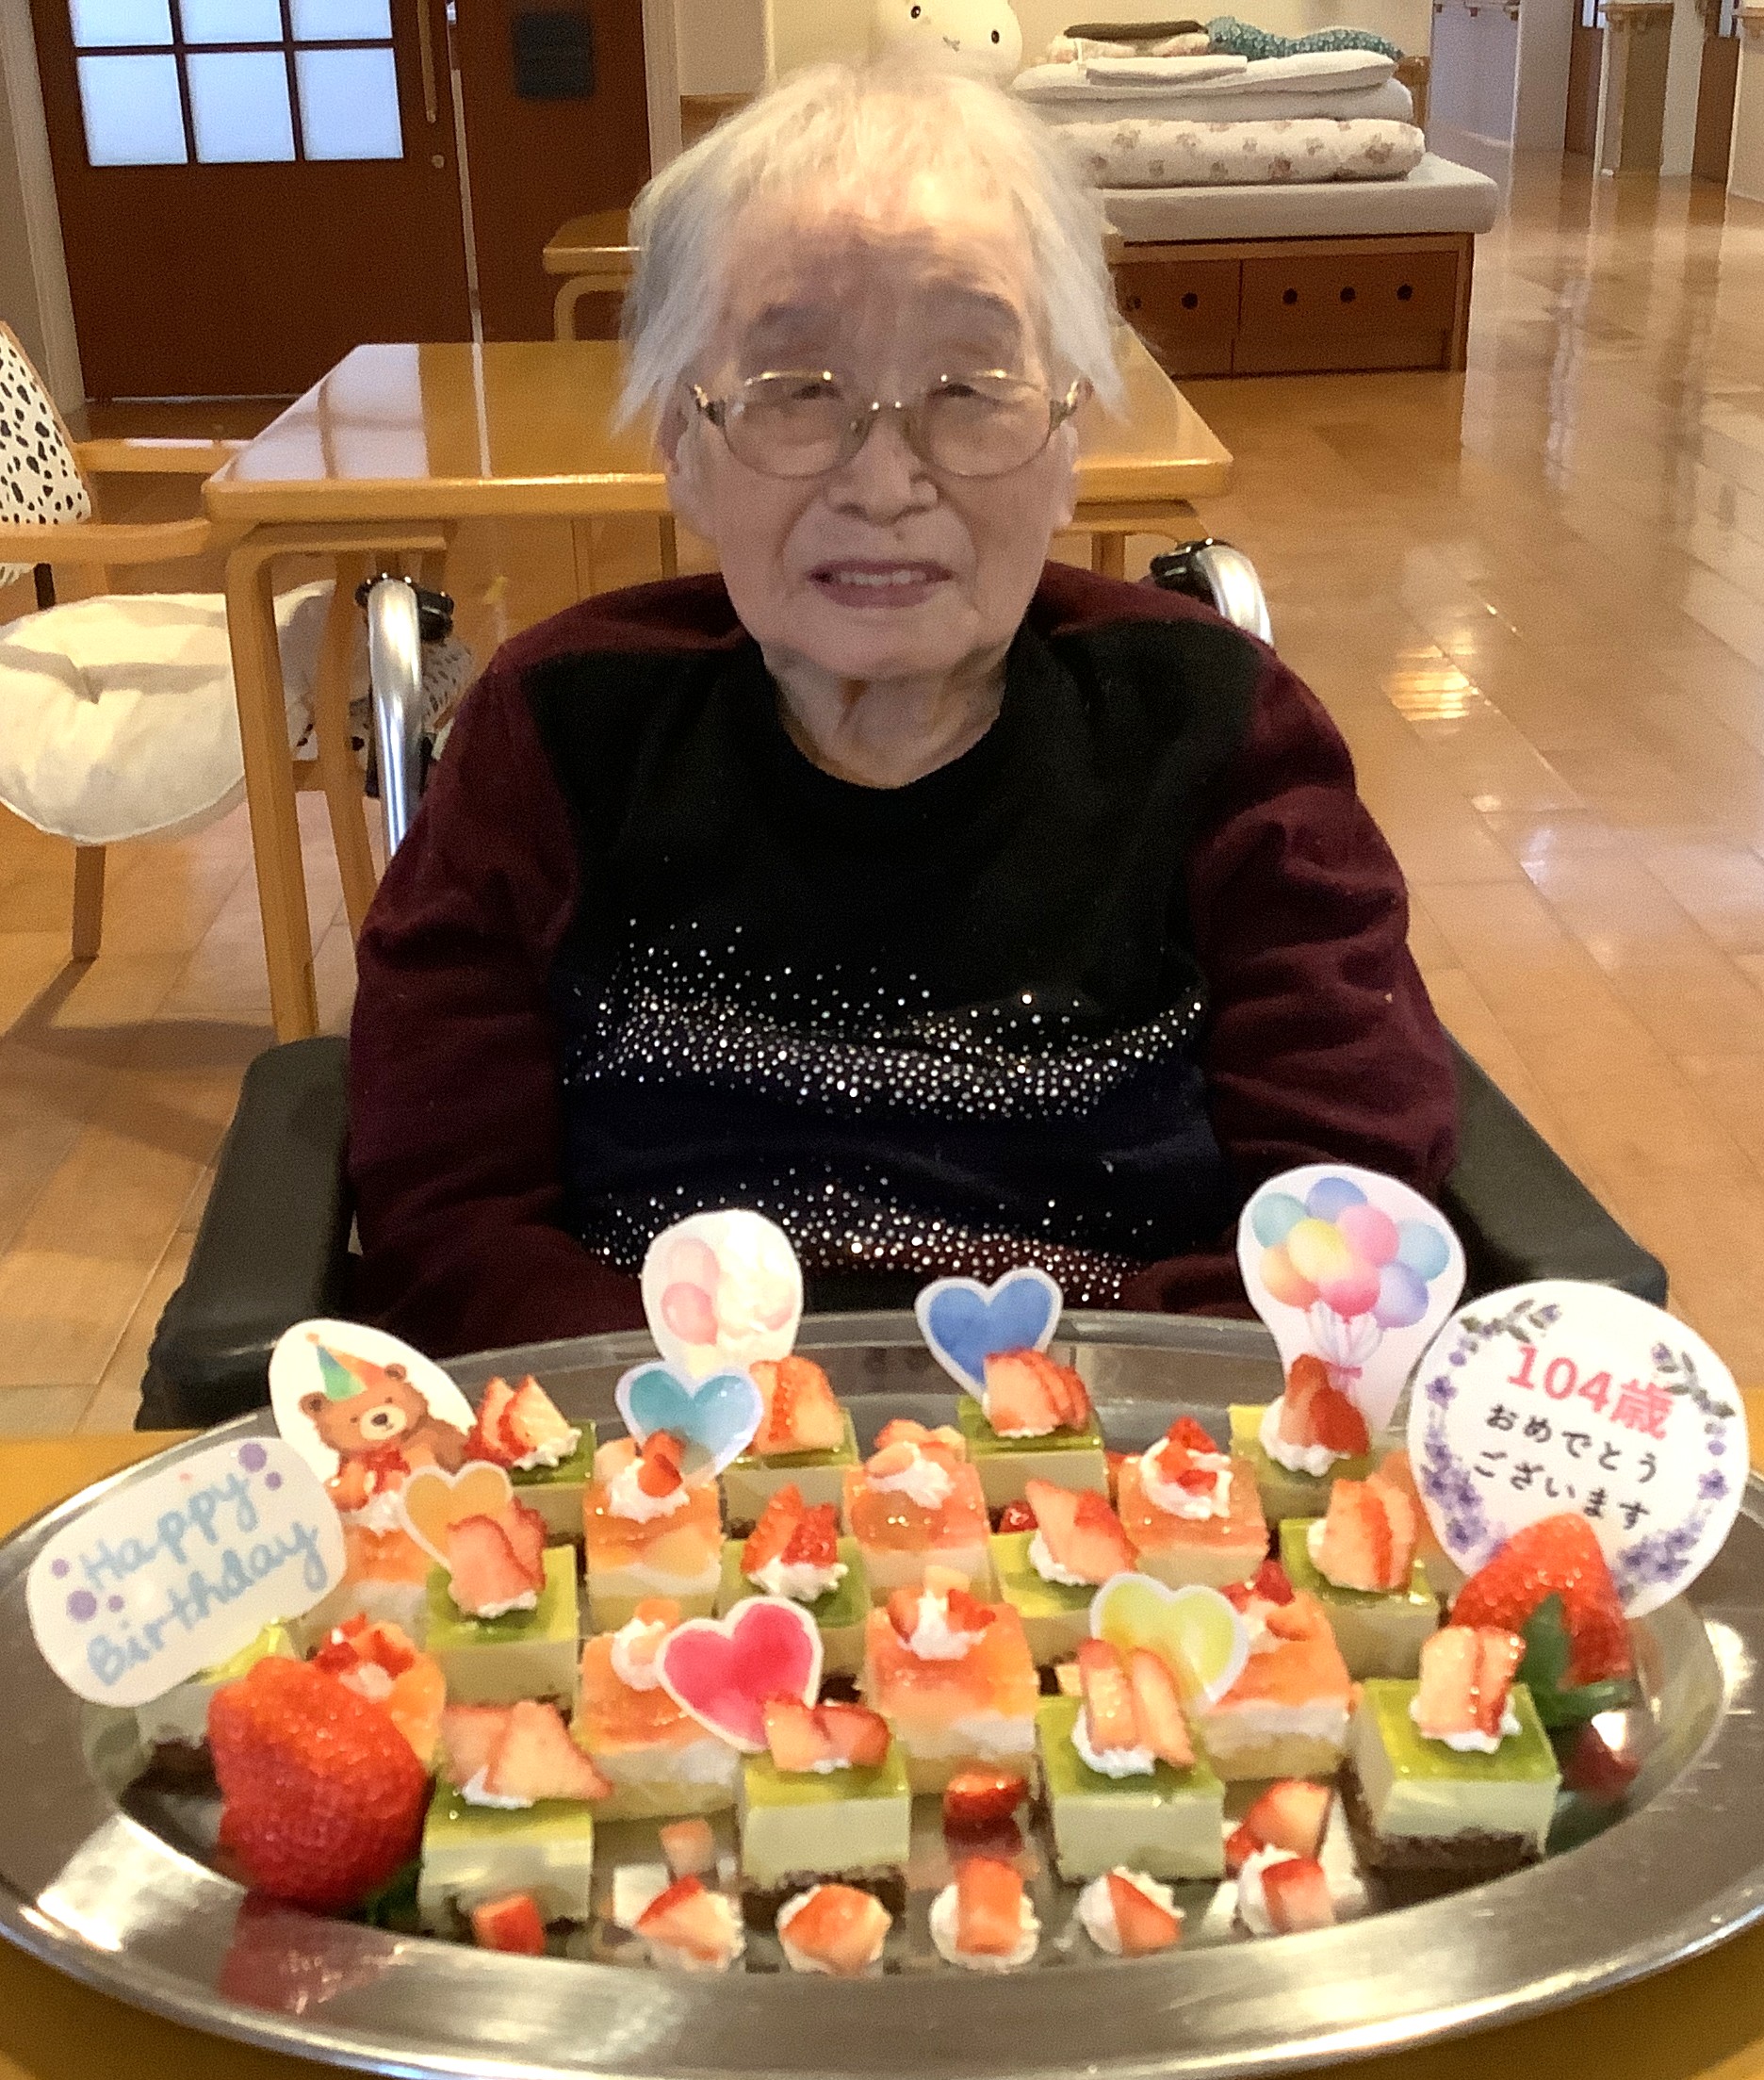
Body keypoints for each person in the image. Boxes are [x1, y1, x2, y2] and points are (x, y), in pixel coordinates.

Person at [349, 59, 1456, 1356]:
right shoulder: (557, 733)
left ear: (1067, 443)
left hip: (1135, 1439)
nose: (884, 484)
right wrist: (708, 1428)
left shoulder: (1213, 728)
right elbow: (452, 1218)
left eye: (969, 389)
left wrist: (1089, 1423)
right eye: (795, 391)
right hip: (653, 1429)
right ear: (683, 451)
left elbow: (1345, 1192)